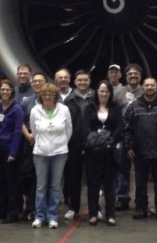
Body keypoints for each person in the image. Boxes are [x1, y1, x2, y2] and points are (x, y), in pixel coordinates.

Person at [124, 77, 157, 220]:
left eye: (152, 85)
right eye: (147, 85)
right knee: (140, 183)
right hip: (139, 151)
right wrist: (129, 146)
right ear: (142, 87)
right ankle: (140, 208)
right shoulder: (133, 107)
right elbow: (127, 128)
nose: (149, 88)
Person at [30, 83, 72, 229]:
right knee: (41, 187)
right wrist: (43, 144)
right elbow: (34, 131)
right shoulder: (35, 110)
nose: (48, 97)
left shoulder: (64, 109)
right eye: (45, 94)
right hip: (40, 153)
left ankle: (53, 216)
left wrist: (60, 144)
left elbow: (69, 130)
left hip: (60, 153)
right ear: (41, 96)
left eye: (51, 94)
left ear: (56, 96)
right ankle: (40, 216)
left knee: (55, 186)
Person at [83, 80, 124, 226]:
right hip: (93, 152)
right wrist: (97, 139)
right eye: (101, 91)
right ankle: (93, 214)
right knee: (93, 185)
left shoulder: (116, 107)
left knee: (110, 185)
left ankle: (110, 215)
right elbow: (86, 127)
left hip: (110, 152)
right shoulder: (89, 107)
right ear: (97, 92)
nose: (104, 93)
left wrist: (110, 139)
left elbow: (120, 126)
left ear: (110, 93)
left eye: (106, 91)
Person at [0, 80, 24, 223]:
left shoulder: (17, 109)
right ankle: (2, 209)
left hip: (10, 151)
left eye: (7, 90)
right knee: (0, 181)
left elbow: (17, 132)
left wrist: (13, 152)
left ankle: (12, 211)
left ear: (12, 92)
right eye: (2, 90)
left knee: (12, 182)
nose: (4, 92)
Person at [64, 69, 94, 220]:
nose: (82, 83)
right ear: (75, 82)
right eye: (79, 80)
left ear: (89, 81)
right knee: (73, 178)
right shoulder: (68, 100)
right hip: (73, 143)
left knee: (93, 178)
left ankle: (95, 208)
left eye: (85, 80)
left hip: (92, 144)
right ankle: (73, 207)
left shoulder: (96, 98)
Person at [19, 72, 48, 221]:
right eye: (34, 82)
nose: (37, 84)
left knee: (42, 178)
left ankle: (40, 208)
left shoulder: (52, 100)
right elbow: (21, 121)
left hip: (46, 144)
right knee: (28, 176)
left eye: (40, 81)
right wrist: (28, 135)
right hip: (29, 143)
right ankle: (29, 206)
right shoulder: (27, 101)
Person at [116, 63, 144, 211]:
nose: (133, 76)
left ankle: (140, 199)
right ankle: (122, 197)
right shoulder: (119, 92)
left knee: (140, 169)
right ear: (125, 76)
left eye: (135, 74)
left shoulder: (145, 91)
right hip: (123, 134)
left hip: (140, 134)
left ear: (140, 76)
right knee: (122, 168)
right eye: (130, 74)